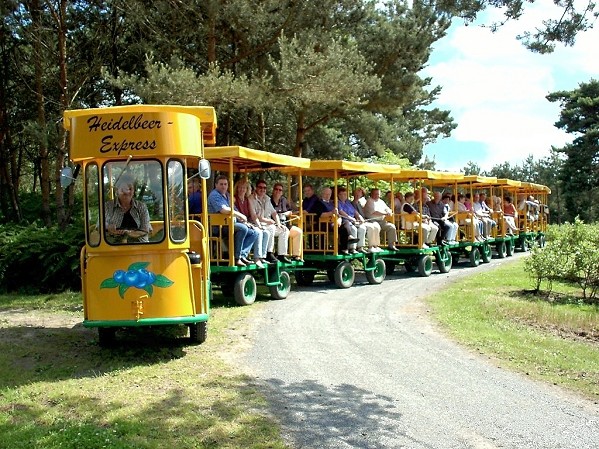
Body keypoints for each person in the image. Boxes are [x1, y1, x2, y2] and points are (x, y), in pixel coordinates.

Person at [207, 175, 259, 267]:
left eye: (225, 184)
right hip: (218, 226)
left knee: (254, 232)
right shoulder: (214, 195)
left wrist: (245, 222)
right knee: (242, 229)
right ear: (216, 185)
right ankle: (236, 258)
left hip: (229, 224)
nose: (223, 186)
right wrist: (240, 215)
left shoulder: (227, 195)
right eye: (221, 184)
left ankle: (242, 255)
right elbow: (223, 210)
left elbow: (234, 208)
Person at [253, 179, 291, 263]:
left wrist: (279, 223)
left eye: (264, 188)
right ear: (256, 188)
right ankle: (269, 253)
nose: (262, 189)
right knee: (271, 228)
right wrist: (267, 221)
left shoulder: (267, 199)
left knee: (284, 230)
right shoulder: (252, 198)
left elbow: (274, 213)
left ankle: (281, 255)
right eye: (260, 187)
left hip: (267, 224)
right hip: (257, 224)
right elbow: (254, 216)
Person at [105, 174, 152, 243]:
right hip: (113, 246)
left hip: (139, 246)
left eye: (130, 189)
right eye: (123, 189)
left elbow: (145, 229)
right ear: (117, 190)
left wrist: (130, 233)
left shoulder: (141, 207)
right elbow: (99, 225)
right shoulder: (108, 206)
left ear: (134, 191)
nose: (127, 192)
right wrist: (108, 227)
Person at [233, 179, 268, 268]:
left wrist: (257, 224)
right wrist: (247, 223)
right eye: (240, 187)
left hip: (247, 222)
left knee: (265, 232)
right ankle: (256, 258)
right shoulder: (234, 199)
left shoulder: (246, 200)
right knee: (258, 232)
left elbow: (252, 215)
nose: (242, 189)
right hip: (239, 222)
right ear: (237, 188)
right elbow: (235, 214)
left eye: (244, 188)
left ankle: (257, 256)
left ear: (247, 189)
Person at [270, 182, 303, 262]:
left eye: (280, 190)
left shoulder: (283, 200)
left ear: (282, 192)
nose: (278, 191)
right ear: (273, 190)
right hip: (274, 225)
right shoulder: (269, 200)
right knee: (284, 231)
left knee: (298, 232)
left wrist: (285, 213)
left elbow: (290, 211)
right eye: (276, 189)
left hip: (285, 223)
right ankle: (278, 254)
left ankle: (296, 256)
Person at [337, 187, 367, 254]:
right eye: (341, 194)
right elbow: (341, 212)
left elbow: (354, 211)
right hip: (345, 221)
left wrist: (360, 217)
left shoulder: (348, 202)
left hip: (353, 221)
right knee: (353, 229)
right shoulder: (338, 202)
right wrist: (350, 218)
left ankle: (360, 247)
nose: (343, 196)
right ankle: (352, 248)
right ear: (338, 195)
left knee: (362, 228)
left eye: (344, 194)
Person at [351, 187, 381, 252]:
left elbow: (363, 213)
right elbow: (355, 214)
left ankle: (376, 246)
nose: (358, 195)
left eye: (360, 194)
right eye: (357, 194)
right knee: (371, 227)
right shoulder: (352, 203)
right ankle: (370, 246)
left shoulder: (360, 203)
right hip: (357, 221)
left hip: (364, 220)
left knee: (376, 226)